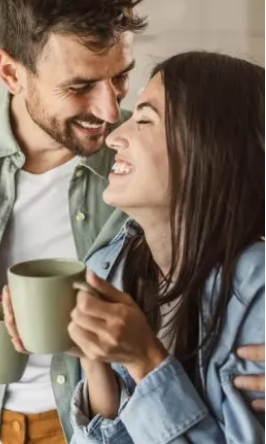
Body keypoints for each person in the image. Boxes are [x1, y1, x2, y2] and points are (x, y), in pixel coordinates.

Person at [0, 0, 264, 442]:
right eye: (79, 87)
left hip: (90, 418)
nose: (112, 114)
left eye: (119, 79)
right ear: (12, 72)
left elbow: (243, 204)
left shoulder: (158, 162)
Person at [62, 51, 264, 442]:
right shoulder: (111, 267)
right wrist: (94, 359)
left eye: (144, 121)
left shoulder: (256, 291)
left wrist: (145, 360)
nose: (115, 136)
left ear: (205, 149)